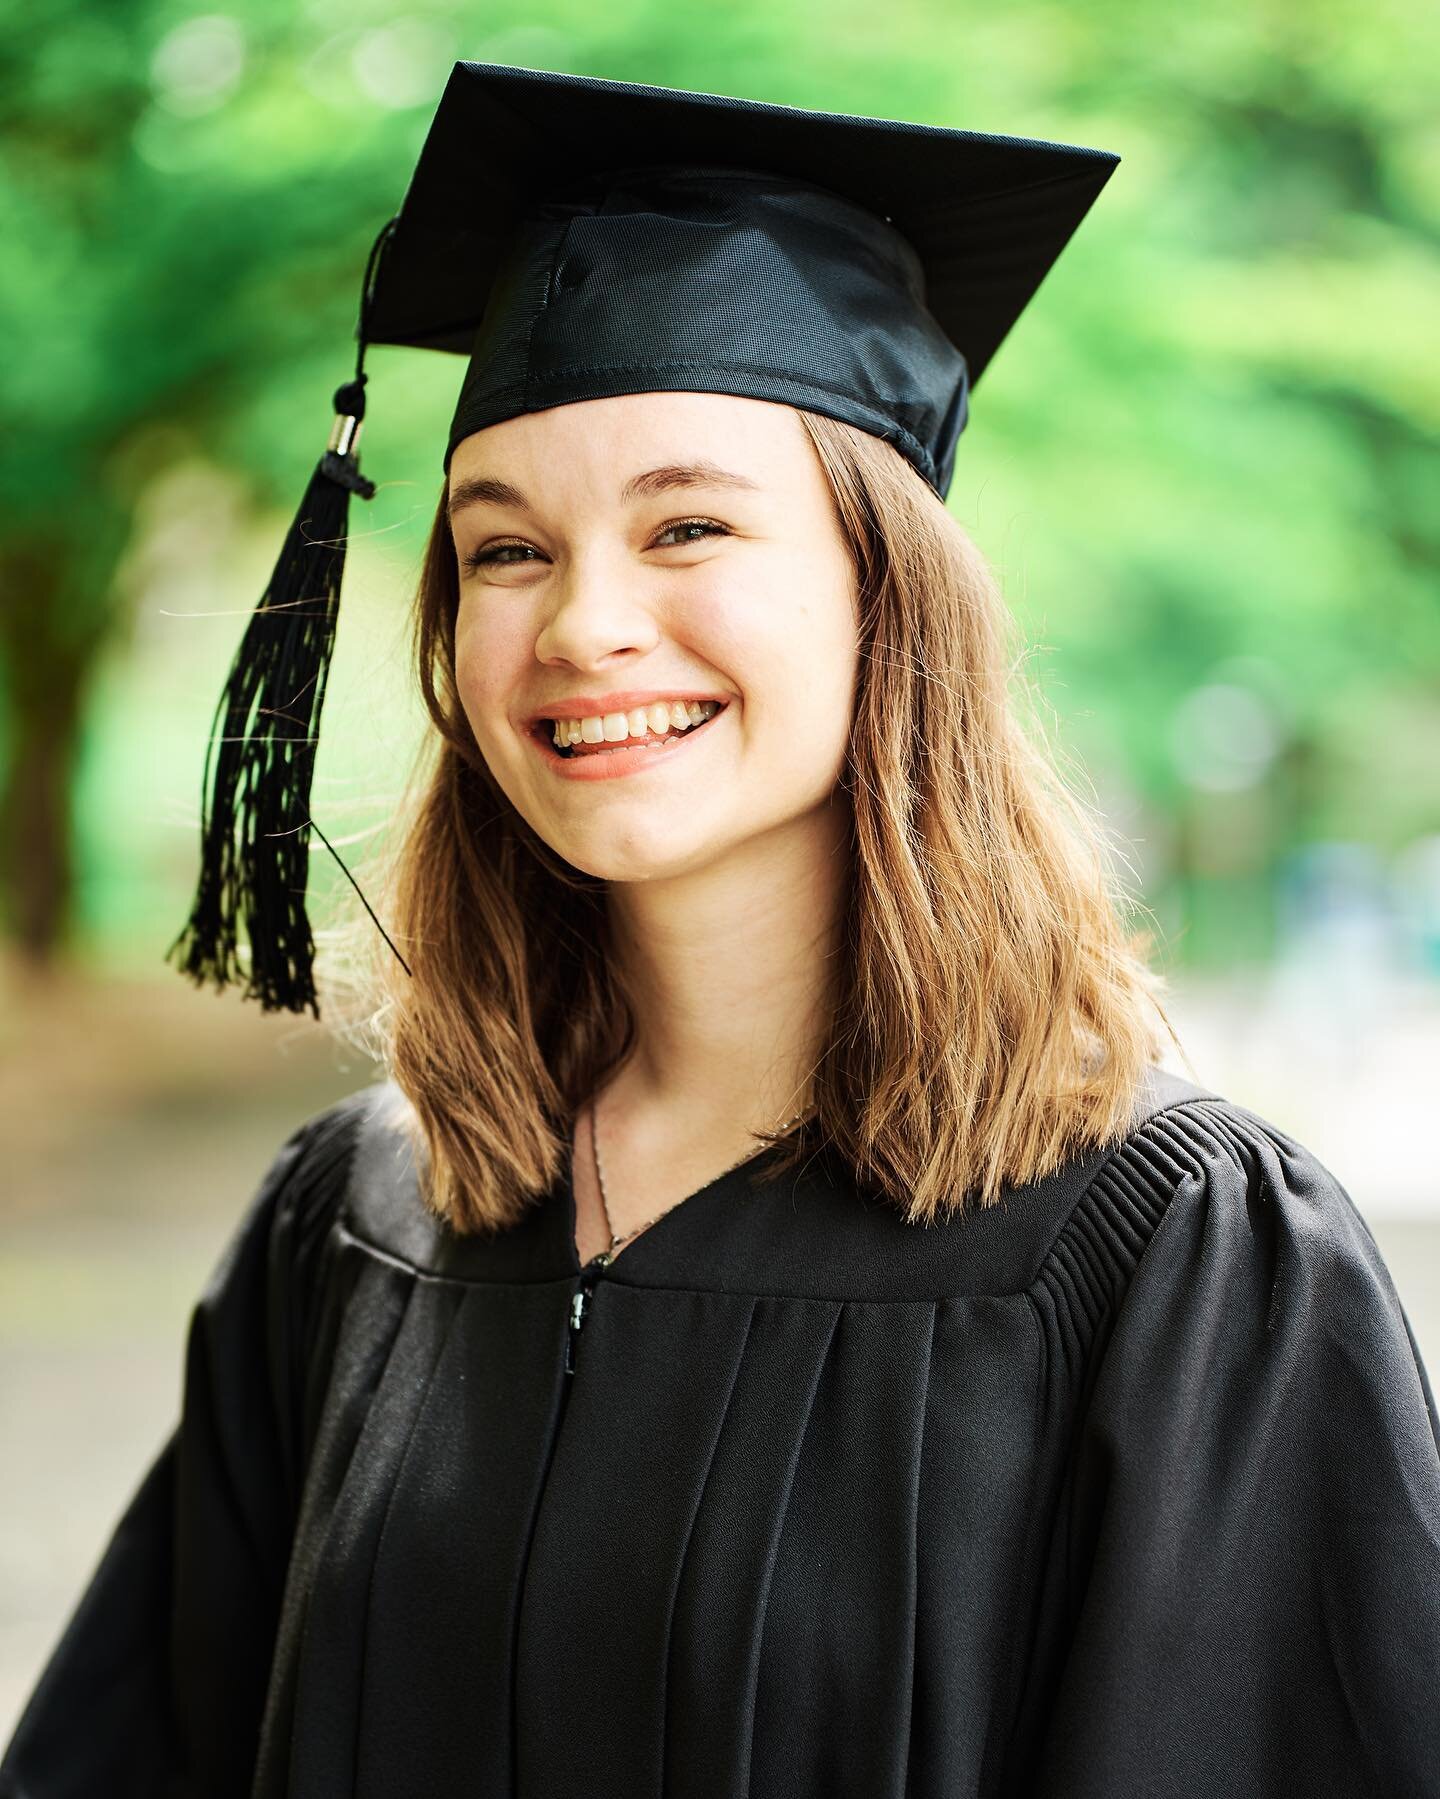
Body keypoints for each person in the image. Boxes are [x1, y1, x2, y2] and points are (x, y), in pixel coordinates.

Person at [4, 61, 1438, 1799]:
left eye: (690, 525)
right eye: (505, 551)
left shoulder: (1176, 1263)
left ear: (884, 588)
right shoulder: (354, 1222)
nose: (586, 623)